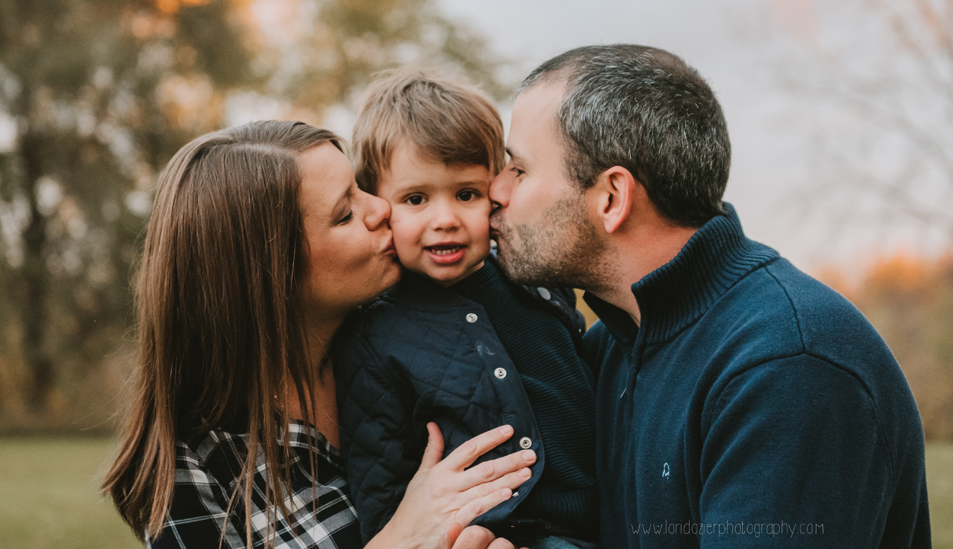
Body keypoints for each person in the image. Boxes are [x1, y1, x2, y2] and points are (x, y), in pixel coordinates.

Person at [488, 44, 932, 548]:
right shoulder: (611, 348)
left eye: (518, 170)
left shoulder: (787, 366)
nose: (494, 192)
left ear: (611, 198)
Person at [102, 120, 537, 549]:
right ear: (272, 275)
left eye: (360, 187)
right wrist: (401, 539)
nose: (381, 208)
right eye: (345, 214)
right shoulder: (194, 469)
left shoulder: (423, 332)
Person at [332, 69, 599, 548]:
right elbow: (384, 493)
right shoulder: (374, 335)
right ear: (378, 203)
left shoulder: (536, 279)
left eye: (466, 194)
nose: (445, 220)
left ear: (495, 188)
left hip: (611, 519)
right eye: (415, 199)